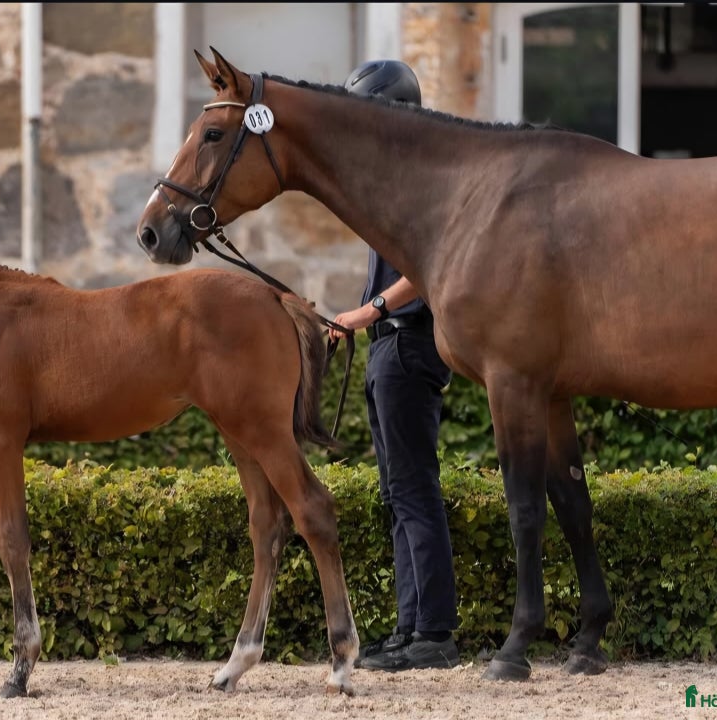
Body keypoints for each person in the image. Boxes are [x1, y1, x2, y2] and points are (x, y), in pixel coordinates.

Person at [329, 59, 460, 672]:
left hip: (408, 345)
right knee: (398, 493)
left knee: (413, 491)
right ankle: (412, 630)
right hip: (391, 345)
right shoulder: (395, 180)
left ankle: (433, 632)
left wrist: (365, 313)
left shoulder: (420, 184)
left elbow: (425, 270)